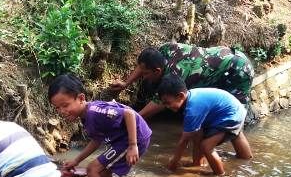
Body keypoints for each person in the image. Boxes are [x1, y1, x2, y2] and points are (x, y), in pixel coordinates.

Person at [48, 74, 152, 177]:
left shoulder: (94, 112)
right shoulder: (86, 116)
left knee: (93, 169)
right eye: (57, 108)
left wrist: (132, 145)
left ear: (81, 98)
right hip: (122, 139)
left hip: (134, 137)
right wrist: (76, 160)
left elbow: (129, 113)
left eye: (65, 105)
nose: (62, 111)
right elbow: (96, 140)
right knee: (102, 171)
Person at [109, 42, 254, 119]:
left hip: (238, 69)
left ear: (158, 71)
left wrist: (134, 119)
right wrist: (125, 83)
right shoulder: (164, 50)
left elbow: (159, 102)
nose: (143, 77)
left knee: (234, 117)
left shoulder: (177, 74)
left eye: (146, 74)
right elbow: (144, 65)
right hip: (219, 58)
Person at [157, 75, 253, 175]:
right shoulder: (191, 97)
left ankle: (219, 174)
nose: (167, 107)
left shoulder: (193, 110)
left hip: (230, 115)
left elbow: (183, 141)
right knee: (200, 135)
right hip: (234, 109)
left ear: (181, 96)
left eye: (168, 103)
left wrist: (173, 164)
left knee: (206, 146)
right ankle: (245, 159)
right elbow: (196, 134)